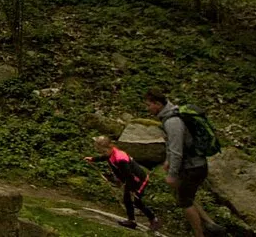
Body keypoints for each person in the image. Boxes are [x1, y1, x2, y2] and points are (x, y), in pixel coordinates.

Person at [145, 87, 213, 236]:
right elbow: (171, 144)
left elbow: (177, 150)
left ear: (157, 104)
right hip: (195, 165)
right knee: (185, 195)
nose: (148, 108)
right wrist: (168, 161)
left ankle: (200, 234)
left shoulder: (172, 121)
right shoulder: (171, 115)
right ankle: (211, 225)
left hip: (193, 167)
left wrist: (172, 174)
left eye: (149, 105)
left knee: (185, 202)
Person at [86, 135, 159, 231]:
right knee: (127, 199)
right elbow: (104, 157)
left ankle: (153, 219)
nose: (103, 153)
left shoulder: (120, 158)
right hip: (129, 179)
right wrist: (93, 159)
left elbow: (129, 176)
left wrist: (131, 189)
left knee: (137, 201)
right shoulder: (110, 153)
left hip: (138, 180)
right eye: (101, 152)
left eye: (104, 151)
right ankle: (132, 221)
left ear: (111, 146)